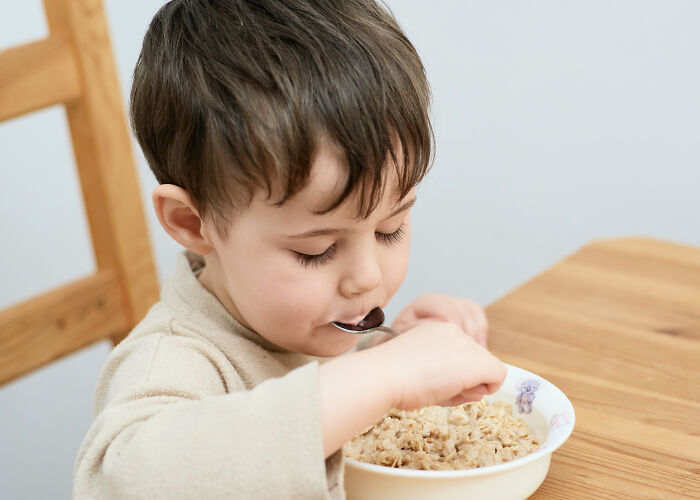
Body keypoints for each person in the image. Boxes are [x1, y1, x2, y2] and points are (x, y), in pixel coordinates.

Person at [73, 0, 507, 498]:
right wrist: (384, 375)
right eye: (317, 250)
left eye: (391, 228)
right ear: (193, 223)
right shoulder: (173, 361)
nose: (367, 277)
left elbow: (313, 393)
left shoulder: (296, 317)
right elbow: (125, 478)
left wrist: (390, 345)